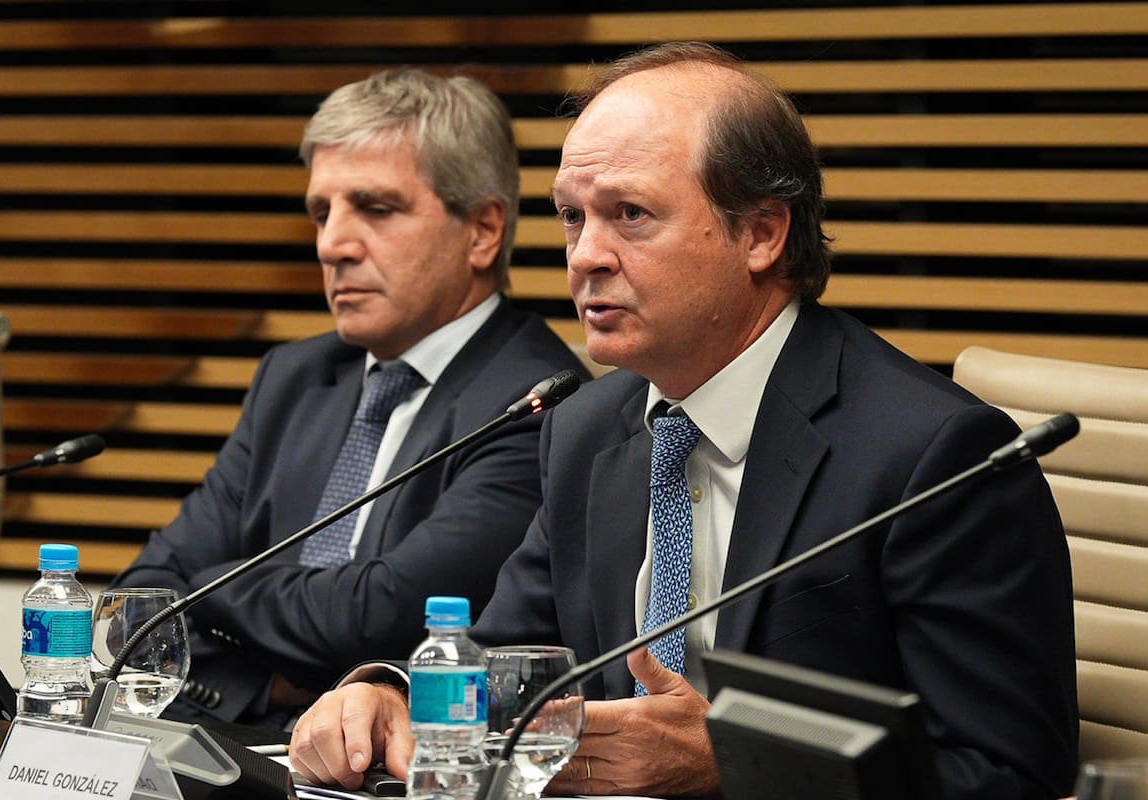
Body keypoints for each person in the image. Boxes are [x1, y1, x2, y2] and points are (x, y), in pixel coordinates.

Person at [289, 43, 1078, 799]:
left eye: (630, 214)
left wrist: (732, 763)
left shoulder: (933, 456)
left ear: (761, 233)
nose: (585, 256)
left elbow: (1009, 776)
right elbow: (506, 669)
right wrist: (392, 695)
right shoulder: (585, 427)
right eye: (572, 217)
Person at [111, 68, 585, 725]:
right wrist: (264, 687)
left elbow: (375, 618)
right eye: (321, 213)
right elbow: (138, 604)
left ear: (482, 231)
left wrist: (205, 588)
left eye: (376, 209)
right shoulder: (292, 379)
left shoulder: (538, 403)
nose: (332, 244)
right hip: (235, 750)